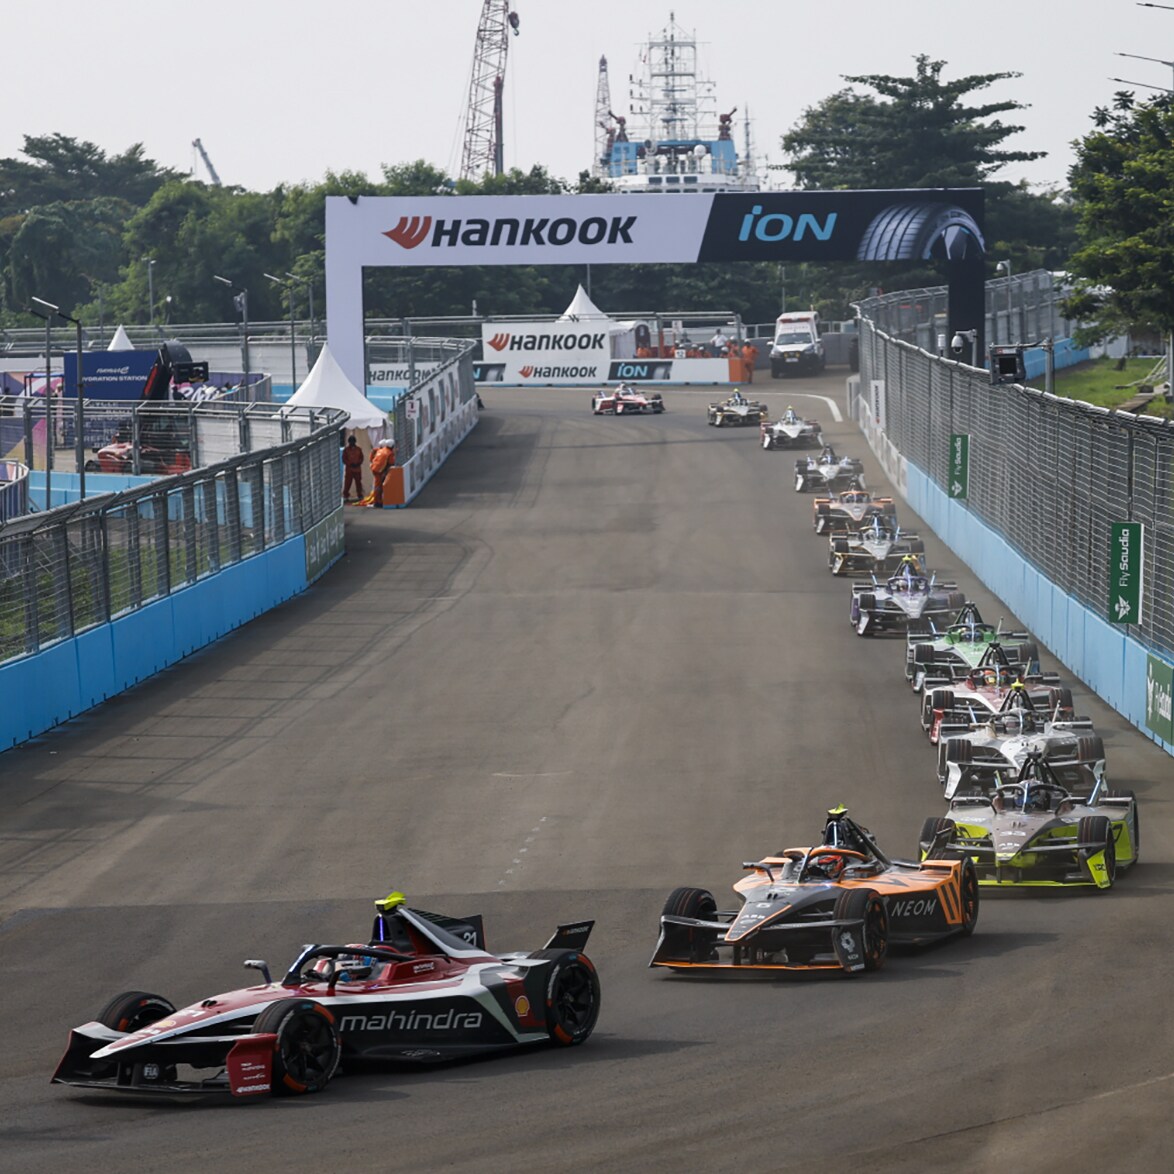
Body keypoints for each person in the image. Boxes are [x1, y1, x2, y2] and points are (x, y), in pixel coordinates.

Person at [368, 437, 395, 508]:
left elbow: (373, 451)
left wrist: (371, 462)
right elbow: (391, 463)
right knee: (378, 486)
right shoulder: (390, 453)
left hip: (374, 468)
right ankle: (377, 502)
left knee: (378, 485)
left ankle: (378, 500)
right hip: (379, 470)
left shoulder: (381, 450)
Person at [342, 435, 365, 501]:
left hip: (357, 469)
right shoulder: (346, 450)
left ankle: (360, 495)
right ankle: (345, 496)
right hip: (349, 469)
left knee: (358, 483)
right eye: (351, 441)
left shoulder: (359, 449)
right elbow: (344, 459)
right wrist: (350, 464)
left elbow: (361, 458)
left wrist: (358, 463)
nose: (352, 443)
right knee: (347, 483)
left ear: (355, 442)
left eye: (353, 441)